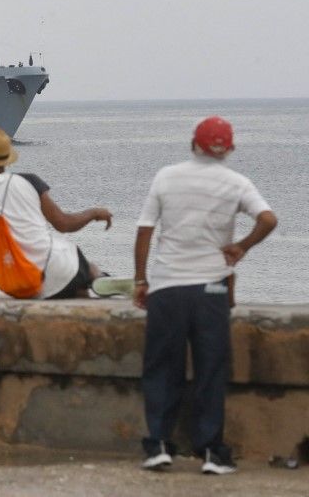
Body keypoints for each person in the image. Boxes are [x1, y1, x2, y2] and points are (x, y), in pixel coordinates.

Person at [133, 116, 277, 475]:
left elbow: (145, 230)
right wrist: (241, 246)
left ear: (192, 144)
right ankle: (212, 451)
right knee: (210, 369)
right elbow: (268, 219)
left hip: (168, 287)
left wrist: (140, 279)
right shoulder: (237, 182)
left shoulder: (166, 176)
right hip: (212, 288)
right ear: (229, 149)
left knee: (162, 368)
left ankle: (160, 445)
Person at [0, 125, 119, 299]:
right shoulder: (30, 181)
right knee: (85, 272)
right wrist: (94, 213)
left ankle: (94, 278)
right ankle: (99, 278)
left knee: (64, 288)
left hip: (20, 281)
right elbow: (63, 223)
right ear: (5, 161)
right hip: (61, 266)